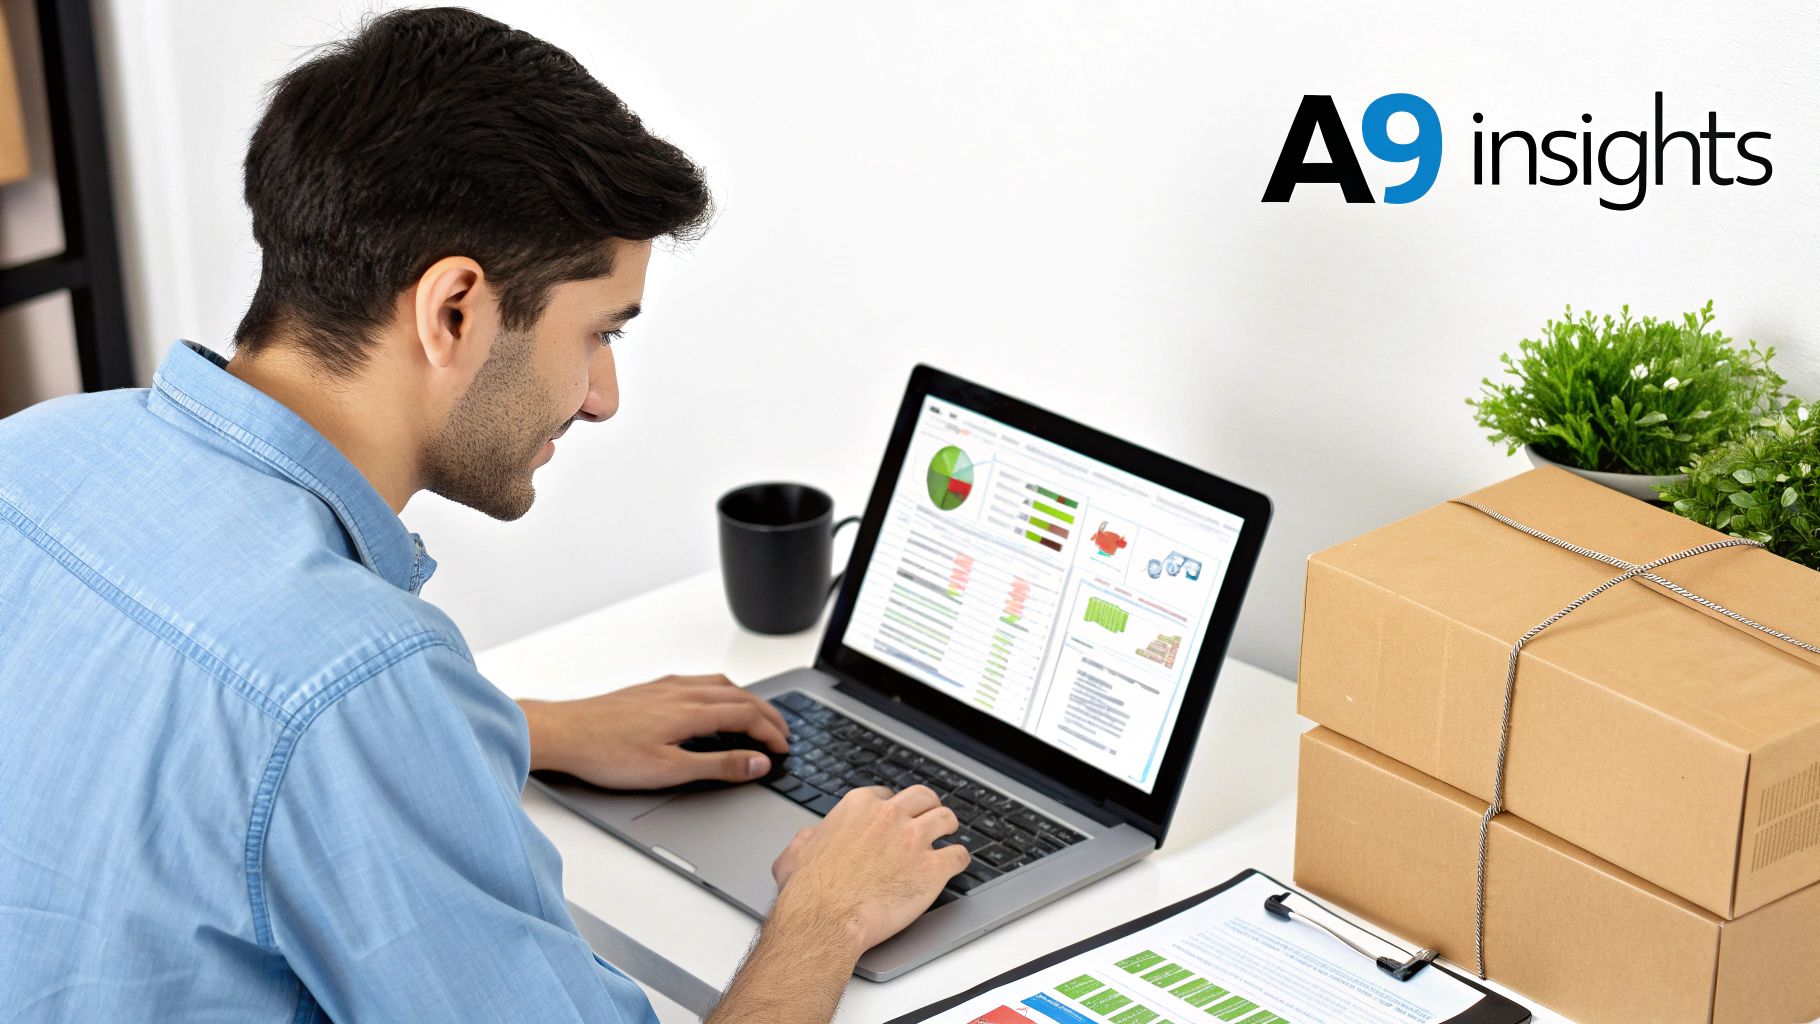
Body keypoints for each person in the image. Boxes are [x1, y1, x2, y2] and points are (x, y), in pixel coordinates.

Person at [0, 8, 967, 1022]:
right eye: (597, 333)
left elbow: (188, 726)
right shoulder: (357, 684)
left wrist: (515, 730)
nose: (601, 395)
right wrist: (825, 913)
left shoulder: (38, 451)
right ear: (453, 309)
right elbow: (312, 705)